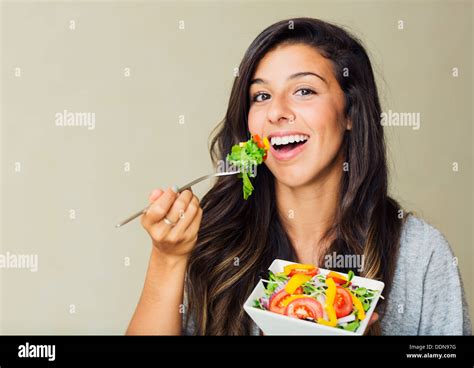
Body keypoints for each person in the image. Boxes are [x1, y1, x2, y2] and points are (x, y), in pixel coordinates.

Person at [126, 18, 471, 336]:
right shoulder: (210, 241)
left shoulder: (419, 253)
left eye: (304, 91)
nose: (276, 112)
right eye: (261, 96)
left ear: (350, 112)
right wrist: (167, 259)